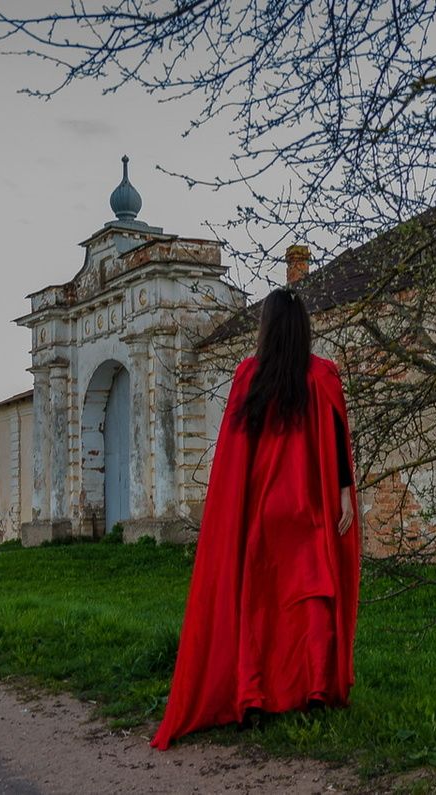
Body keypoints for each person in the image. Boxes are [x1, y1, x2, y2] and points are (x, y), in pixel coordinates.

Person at [149, 286, 362, 750]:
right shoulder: (323, 375)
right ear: (304, 327)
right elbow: (338, 441)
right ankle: (316, 692)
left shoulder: (250, 375)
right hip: (309, 507)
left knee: (259, 604)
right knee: (313, 598)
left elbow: (233, 454)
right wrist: (346, 495)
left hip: (265, 509)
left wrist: (233, 511)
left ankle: (253, 700)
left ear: (266, 329)